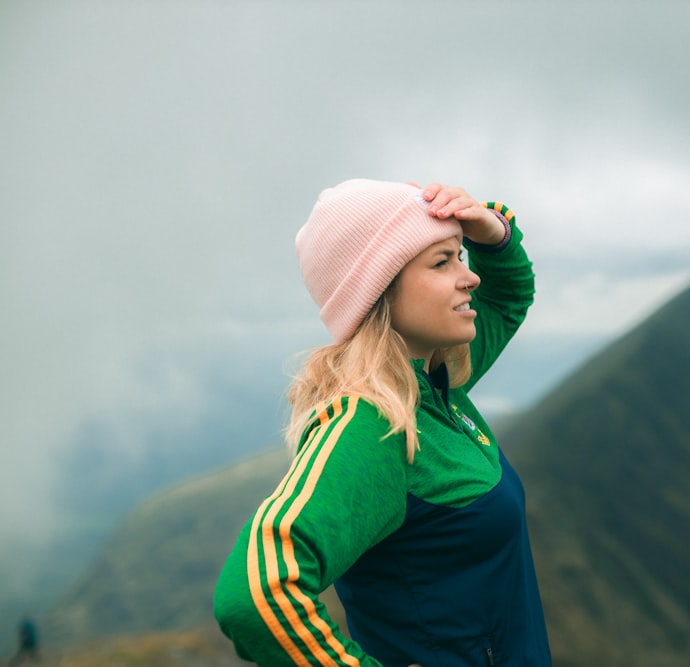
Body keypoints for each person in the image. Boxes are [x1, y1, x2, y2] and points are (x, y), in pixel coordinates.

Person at [214, 179, 551, 666]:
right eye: (441, 262)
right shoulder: (370, 424)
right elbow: (254, 598)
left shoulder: (438, 383)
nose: (468, 276)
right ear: (378, 291)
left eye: (460, 256)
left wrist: (490, 232)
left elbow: (508, 296)